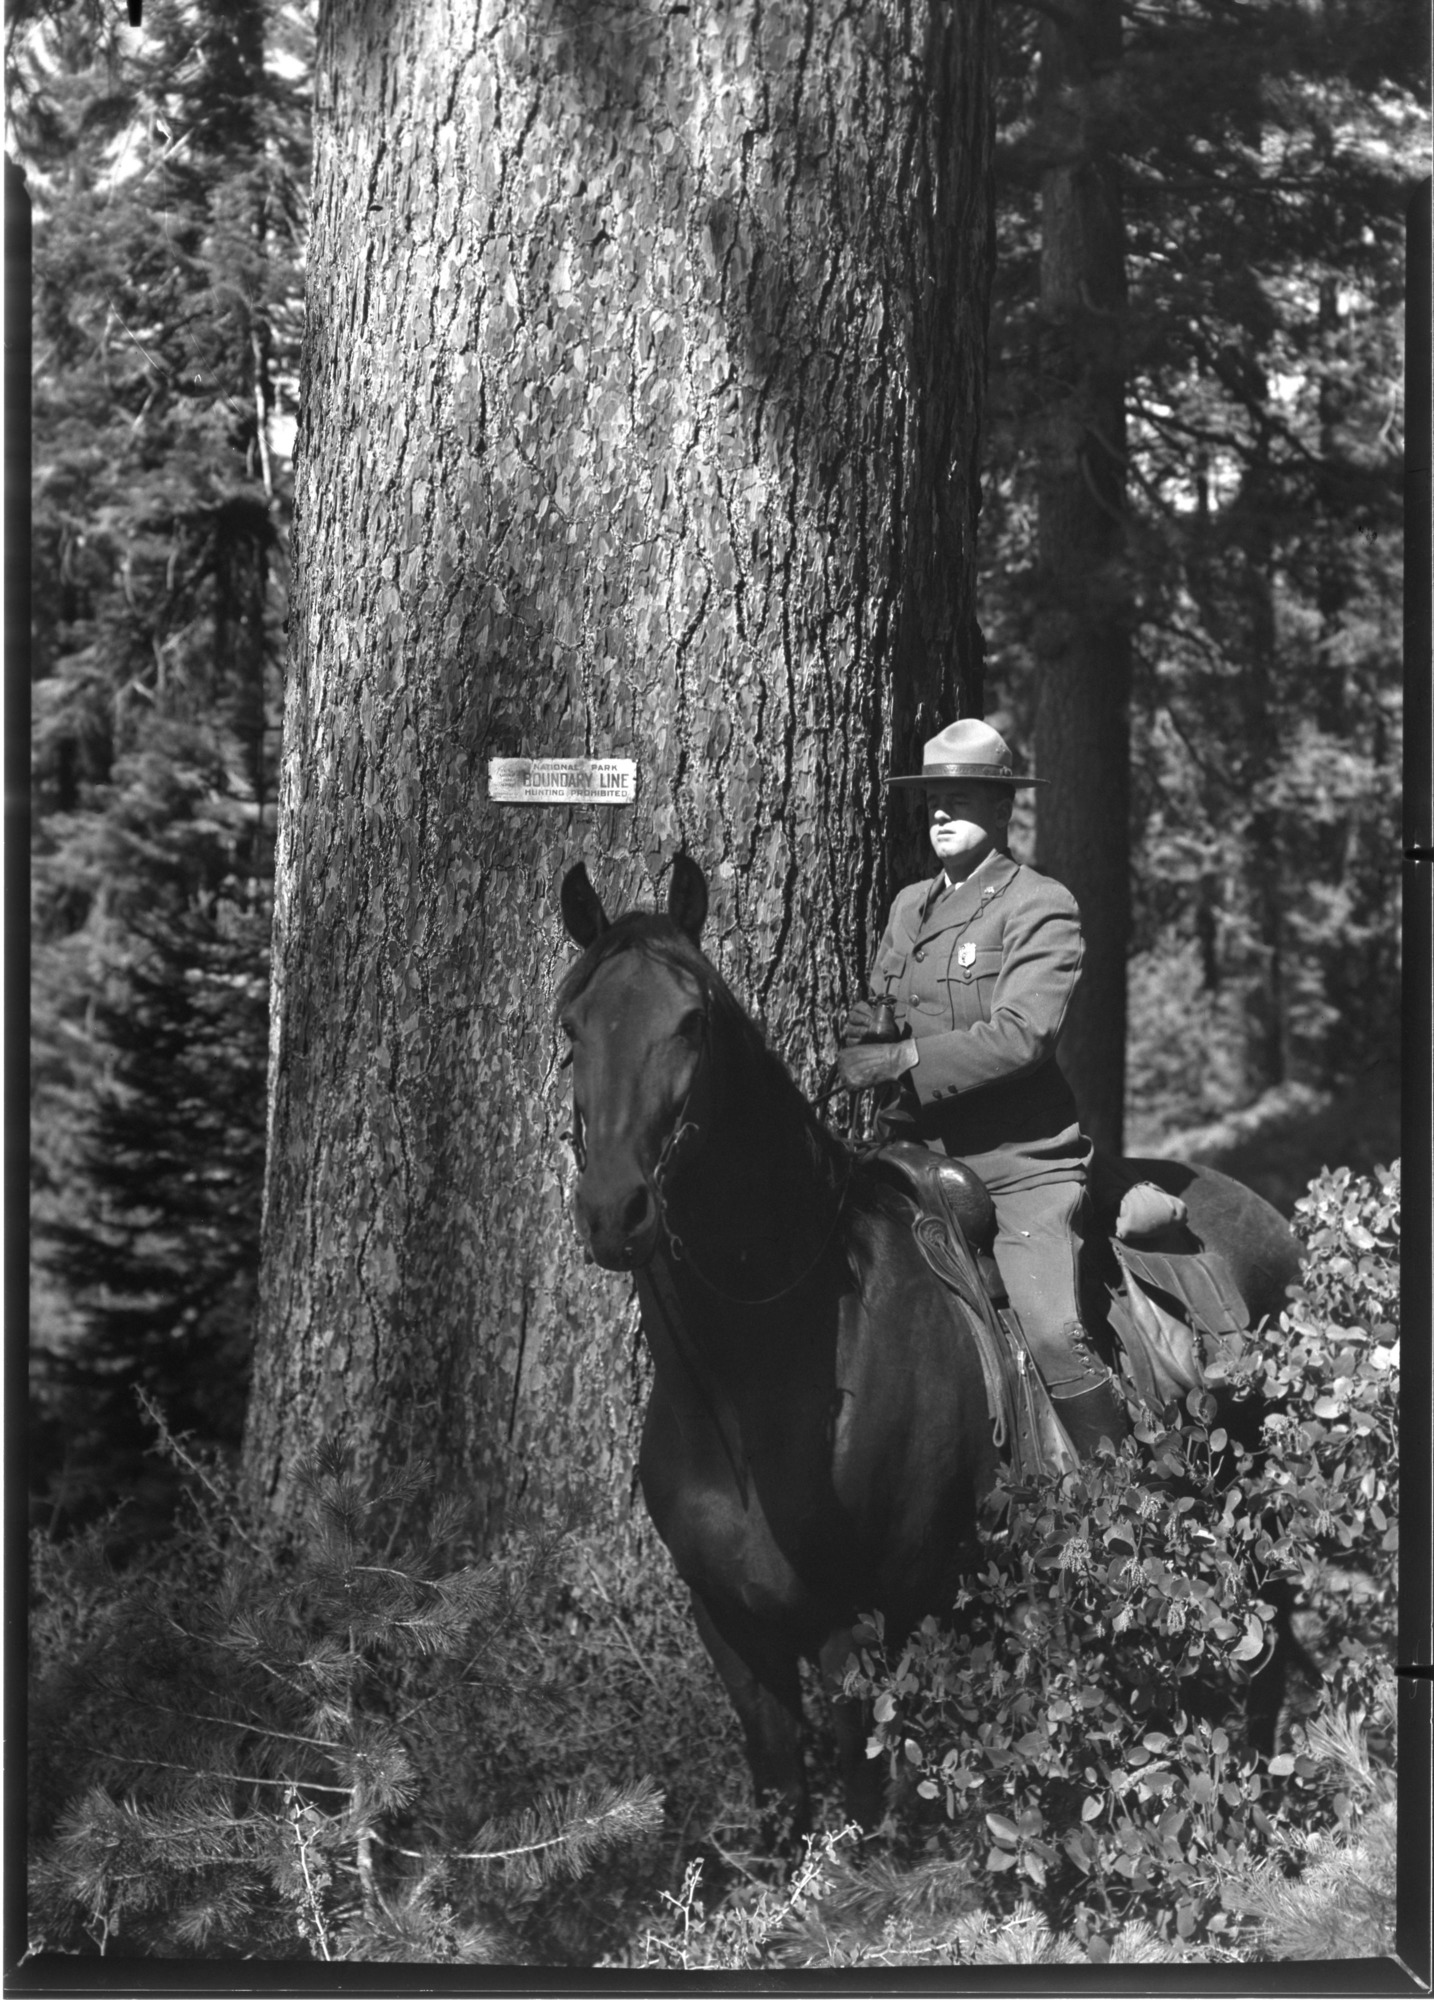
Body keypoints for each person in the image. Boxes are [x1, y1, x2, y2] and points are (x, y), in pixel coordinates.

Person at [836, 718, 1128, 1457]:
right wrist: (868, 1032)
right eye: (933, 798)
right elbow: (890, 1007)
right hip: (911, 1161)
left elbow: (1023, 1033)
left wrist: (905, 1057)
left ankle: (1123, 1494)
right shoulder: (909, 906)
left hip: (1016, 1164)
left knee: (1053, 1332)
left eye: (960, 798)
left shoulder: (1039, 904)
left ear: (1002, 810)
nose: (939, 812)